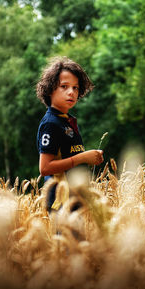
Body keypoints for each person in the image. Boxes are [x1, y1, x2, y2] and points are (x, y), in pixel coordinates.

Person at [36, 56, 103, 212]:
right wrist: (83, 157)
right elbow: (44, 167)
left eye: (75, 88)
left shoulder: (66, 120)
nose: (71, 92)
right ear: (50, 89)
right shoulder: (51, 124)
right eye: (64, 86)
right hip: (60, 201)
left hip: (73, 198)